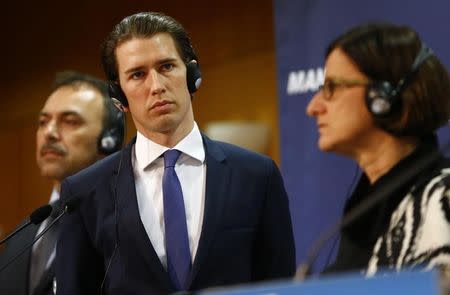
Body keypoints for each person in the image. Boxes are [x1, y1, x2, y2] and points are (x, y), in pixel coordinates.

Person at [56, 11, 295, 295]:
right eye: (137, 75)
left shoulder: (257, 175)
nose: (156, 86)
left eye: (167, 66)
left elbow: (282, 285)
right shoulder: (84, 192)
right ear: (119, 96)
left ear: (192, 75)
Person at [306, 23, 450, 276]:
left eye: (331, 88)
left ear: (384, 97)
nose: (313, 107)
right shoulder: (365, 209)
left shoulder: (441, 198)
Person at [0, 71, 124, 295]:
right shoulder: (19, 237)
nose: (49, 133)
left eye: (70, 121)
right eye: (43, 122)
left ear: (110, 140)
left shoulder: (127, 226)